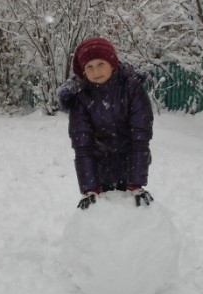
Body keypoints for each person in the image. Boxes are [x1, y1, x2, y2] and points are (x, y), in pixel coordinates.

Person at [57, 36, 154, 209]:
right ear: (83, 71)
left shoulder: (131, 88)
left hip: (130, 162)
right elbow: (83, 146)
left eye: (101, 64)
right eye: (89, 67)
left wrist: (136, 184)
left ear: (112, 63)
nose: (96, 71)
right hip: (99, 169)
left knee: (133, 220)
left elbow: (140, 137)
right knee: (103, 221)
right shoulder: (81, 98)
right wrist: (90, 189)